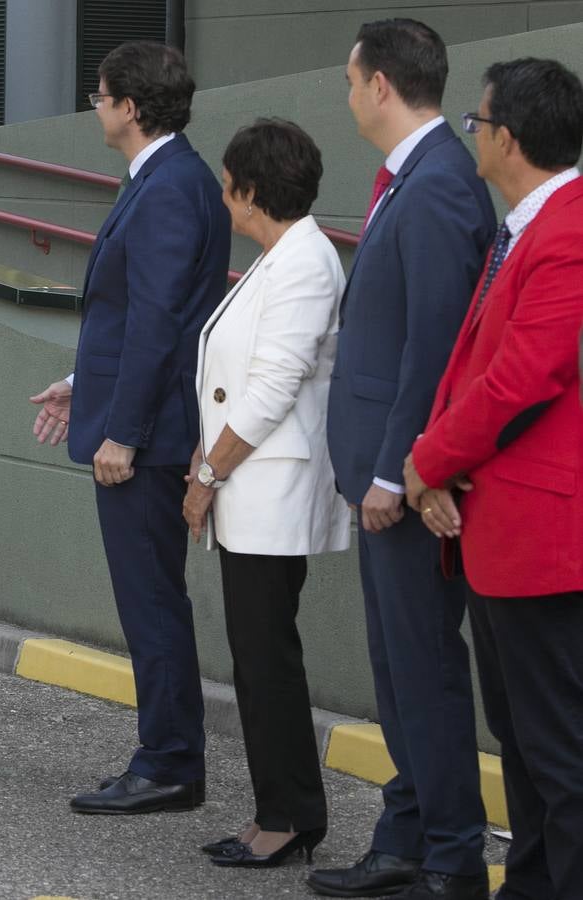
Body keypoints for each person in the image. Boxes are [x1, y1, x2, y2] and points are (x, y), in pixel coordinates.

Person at [312, 20, 496, 900]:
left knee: (420, 669)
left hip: (404, 480)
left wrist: (395, 471)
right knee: (397, 670)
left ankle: (452, 858)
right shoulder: (414, 179)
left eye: (350, 82)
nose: (347, 96)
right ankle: (408, 834)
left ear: (379, 84)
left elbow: (434, 349)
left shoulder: (433, 190)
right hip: (383, 473)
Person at [30, 41, 230, 814]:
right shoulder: (164, 178)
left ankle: (171, 762)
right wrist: (85, 386)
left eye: (101, 94)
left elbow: (156, 323)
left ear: (131, 108)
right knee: (150, 598)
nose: (96, 105)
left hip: (149, 439)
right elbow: (143, 319)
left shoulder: (171, 187)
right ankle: (167, 754)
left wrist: (124, 433)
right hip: (139, 418)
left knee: (150, 601)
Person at [404, 58, 583, 900]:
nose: (471, 133)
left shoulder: (567, 227)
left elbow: (524, 375)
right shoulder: (528, 223)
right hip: (498, 526)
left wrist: (428, 460)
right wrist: (441, 460)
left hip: (542, 539)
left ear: (505, 137)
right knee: (520, 741)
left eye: (476, 123)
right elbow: (479, 369)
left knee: (558, 753)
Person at [181, 119, 350, 869]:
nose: (222, 198)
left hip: (267, 490)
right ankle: (275, 810)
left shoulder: (304, 262)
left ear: (251, 190)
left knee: (265, 657)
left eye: (226, 185)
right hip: (249, 484)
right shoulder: (279, 256)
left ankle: (288, 817)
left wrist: (208, 473)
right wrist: (206, 453)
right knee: (255, 657)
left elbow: (274, 385)